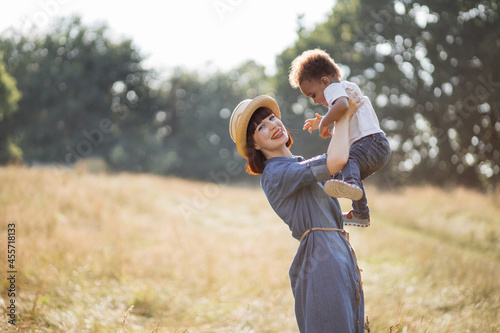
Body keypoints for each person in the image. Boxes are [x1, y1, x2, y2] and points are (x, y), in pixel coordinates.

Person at [229, 91, 365, 332]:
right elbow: (336, 160)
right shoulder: (275, 174)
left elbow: (321, 202)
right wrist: (343, 114)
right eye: (261, 126)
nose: (272, 125)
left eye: (272, 118)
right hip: (321, 260)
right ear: (255, 145)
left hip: (340, 254)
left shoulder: (297, 164)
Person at [289, 48, 391, 227]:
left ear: (324, 81)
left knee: (346, 162)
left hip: (371, 143)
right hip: (376, 148)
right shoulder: (344, 89)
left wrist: (324, 123)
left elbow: (342, 107)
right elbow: (342, 111)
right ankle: (361, 213)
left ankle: (351, 184)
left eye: (313, 94)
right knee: (341, 170)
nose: (314, 101)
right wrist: (324, 120)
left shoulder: (335, 88)